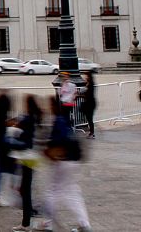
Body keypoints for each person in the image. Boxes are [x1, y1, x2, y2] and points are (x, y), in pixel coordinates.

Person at [41, 97, 91, 232]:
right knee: (73, 193)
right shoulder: (66, 119)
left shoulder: (58, 120)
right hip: (74, 159)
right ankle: (84, 224)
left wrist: (51, 150)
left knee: (52, 191)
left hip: (64, 160)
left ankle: (48, 223)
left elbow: (60, 139)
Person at [11, 96, 43, 232]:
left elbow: (18, 133)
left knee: (25, 189)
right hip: (32, 156)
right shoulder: (34, 117)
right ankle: (27, 220)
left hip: (26, 156)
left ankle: (26, 223)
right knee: (25, 188)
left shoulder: (27, 119)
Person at [80, 72, 97, 138]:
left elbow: (88, 94)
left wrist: (81, 95)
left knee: (89, 118)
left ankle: (92, 133)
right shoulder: (89, 84)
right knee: (89, 118)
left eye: (86, 77)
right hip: (90, 103)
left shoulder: (90, 85)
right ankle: (91, 132)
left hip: (90, 104)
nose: (85, 78)